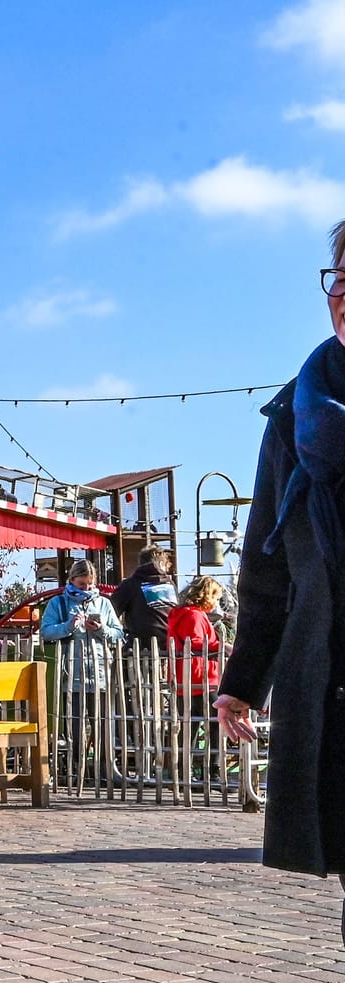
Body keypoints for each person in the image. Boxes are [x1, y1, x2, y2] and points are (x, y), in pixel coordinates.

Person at [216, 221, 345, 938]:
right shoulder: (296, 417)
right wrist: (244, 676)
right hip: (333, 683)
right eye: (341, 276)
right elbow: (267, 569)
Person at [40, 559, 124, 704]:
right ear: (71, 580)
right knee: (73, 725)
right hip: (71, 677)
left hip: (101, 677)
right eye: (81, 584)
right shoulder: (57, 603)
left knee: (103, 725)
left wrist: (101, 629)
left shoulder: (104, 603)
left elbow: (119, 635)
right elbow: (46, 632)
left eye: (90, 584)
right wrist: (68, 626)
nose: (86, 588)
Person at [168, 576, 224, 702]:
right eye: (216, 598)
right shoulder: (193, 615)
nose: (216, 603)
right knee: (216, 718)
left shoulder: (183, 613)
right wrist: (222, 647)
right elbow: (196, 643)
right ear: (207, 596)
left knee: (189, 720)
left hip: (185, 677)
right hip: (200, 677)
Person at [111, 546, 179, 646]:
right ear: (162, 564)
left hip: (141, 646)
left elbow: (111, 611)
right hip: (170, 644)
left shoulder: (131, 584)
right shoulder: (170, 585)